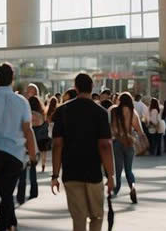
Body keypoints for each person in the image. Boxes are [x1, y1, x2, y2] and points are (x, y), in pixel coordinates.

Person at [0, 63, 37, 231]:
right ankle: (3, 225)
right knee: (7, 192)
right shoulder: (22, 101)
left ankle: (11, 223)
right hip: (15, 153)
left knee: (3, 191)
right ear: (12, 78)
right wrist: (33, 155)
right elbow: (27, 130)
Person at [51, 72, 114, 231]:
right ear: (92, 87)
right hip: (93, 172)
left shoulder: (62, 111)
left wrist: (55, 175)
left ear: (75, 88)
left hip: (71, 172)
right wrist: (111, 174)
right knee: (96, 216)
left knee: (78, 218)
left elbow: (57, 144)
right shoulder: (100, 112)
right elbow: (105, 145)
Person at [109, 92, 143, 203]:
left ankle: (116, 189)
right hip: (129, 142)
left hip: (117, 142)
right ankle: (132, 187)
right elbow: (139, 130)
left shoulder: (114, 111)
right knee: (129, 169)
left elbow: (113, 128)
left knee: (118, 169)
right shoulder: (133, 112)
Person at [17, 95, 46, 204]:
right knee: (33, 170)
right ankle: (34, 192)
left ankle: (21, 195)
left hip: (25, 144)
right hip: (37, 145)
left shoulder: (26, 115)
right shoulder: (40, 116)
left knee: (22, 173)